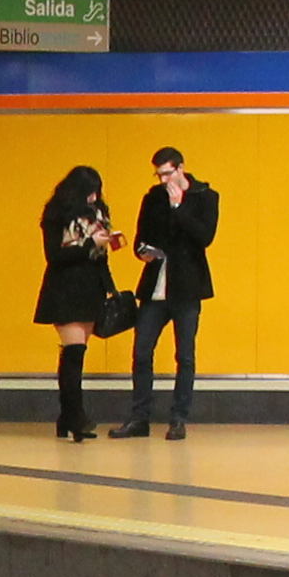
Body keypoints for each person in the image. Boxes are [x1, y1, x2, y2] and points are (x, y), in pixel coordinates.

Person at [108, 144, 222, 440]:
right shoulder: (153, 198)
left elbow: (204, 237)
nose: (162, 180)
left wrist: (179, 207)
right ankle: (139, 418)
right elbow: (141, 237)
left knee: (185, 355)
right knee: (142, 351)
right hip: (155, 285)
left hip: (187, 287)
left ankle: (178, 418)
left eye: (167, 174)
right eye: (158, 175)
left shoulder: (206, 196)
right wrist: (142, 251)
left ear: (181, 168)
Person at [35, 164, 119, 443]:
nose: (94, 197)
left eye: (97, 192)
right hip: (66, 288)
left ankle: (66, 417)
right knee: (74, 353)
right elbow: (54, 256)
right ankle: (76, 416)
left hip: (92, 287)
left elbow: (101, 257)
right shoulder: (56, 215)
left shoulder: (98, 214)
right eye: (90, 192)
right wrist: (88, 244)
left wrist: (110, 284)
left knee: (78, 353)